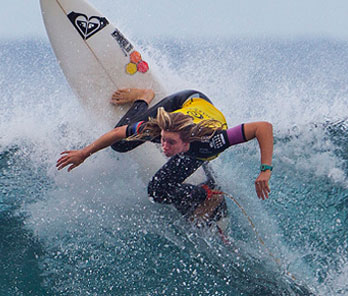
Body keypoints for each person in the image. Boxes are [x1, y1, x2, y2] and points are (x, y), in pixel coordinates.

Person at [56, 88, 274, 223]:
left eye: (170, 143)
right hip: (183, 100)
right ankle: (143, 96)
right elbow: (117, 133)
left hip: (200, 111)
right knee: (120, 145)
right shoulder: (157, 130)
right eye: (163, 140)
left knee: (156, 192)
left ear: (186, 142)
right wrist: (84, 153)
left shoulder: (213, 141)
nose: (163, 147)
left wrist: (265, 170)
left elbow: (262, 127)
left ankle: (208, 195)